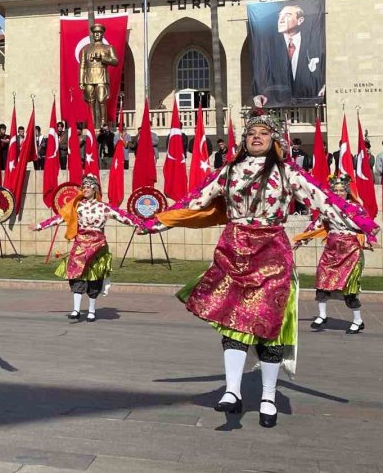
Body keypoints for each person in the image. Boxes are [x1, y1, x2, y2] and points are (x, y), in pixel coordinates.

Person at [146, 109, 378, 428]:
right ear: (244, 140)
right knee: (234, 321)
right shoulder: (228, 172)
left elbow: (327, 201)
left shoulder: (288, 173)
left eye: (264, 133)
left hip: (272, 251)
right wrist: (157, 223)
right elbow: (194, 201)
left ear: (275, 141)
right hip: (235, 248)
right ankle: (232, 391)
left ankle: (268, 396)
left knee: (271, 327)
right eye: (252, 132)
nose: (256, 136)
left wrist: (365, 224)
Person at [30, 174, 140, 321]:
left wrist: (141, 225)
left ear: (95, 188)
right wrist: (39, 226)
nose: (85, 189)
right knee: (77, 276)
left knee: (94, 278)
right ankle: (76, 310)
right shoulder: (77, 206)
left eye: (88, 186)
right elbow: (59, 218)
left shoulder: (104, 207)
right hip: (80, 245)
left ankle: (92, 311)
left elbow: (124, 216)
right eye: (84, 187)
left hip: (97, 246)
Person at [294, 173, 369, 335]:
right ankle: (322, 315)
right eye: (336, 190)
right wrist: (301, 240)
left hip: (351, 250)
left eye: (342, 190)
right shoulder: (327, 208)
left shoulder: (356, 208)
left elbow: (367, 226)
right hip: (332, 250)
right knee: (321, 280)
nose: (339, 192)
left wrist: (368, 238)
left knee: (350, 289)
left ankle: (358, 320)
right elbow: (316, 226)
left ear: (347, 191)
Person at [253, 4, 325, 107]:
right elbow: (260, 73)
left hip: (310, 107)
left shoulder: (313, 42)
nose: (281, 20)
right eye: (279, 16)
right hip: (278, 107)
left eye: (287, 15)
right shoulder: (269, 47)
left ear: (300, 20)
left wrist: (325, 86)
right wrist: (257, 93)